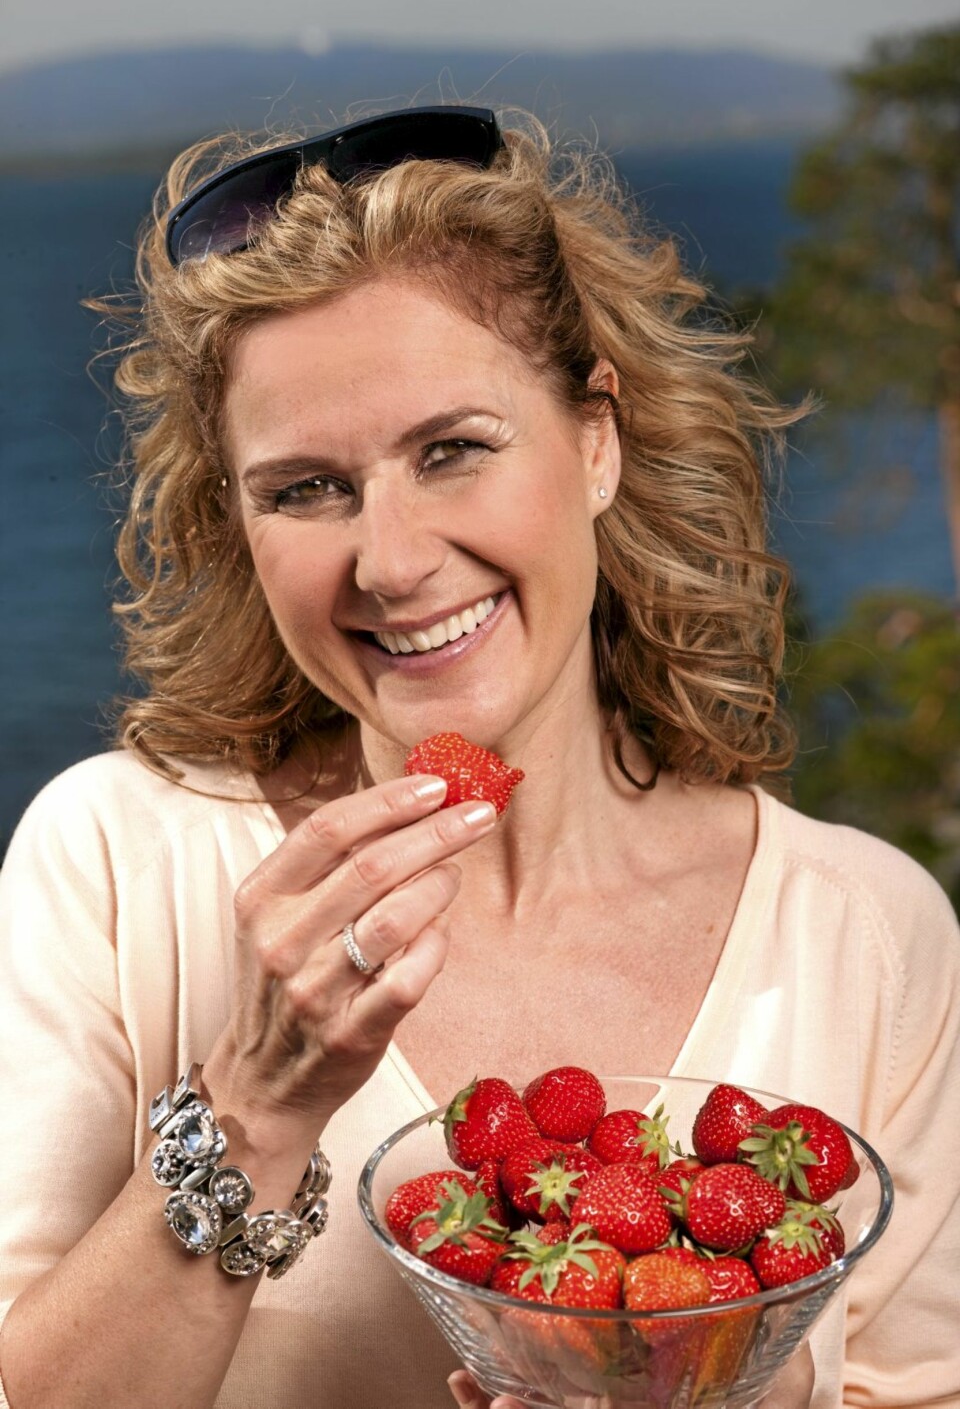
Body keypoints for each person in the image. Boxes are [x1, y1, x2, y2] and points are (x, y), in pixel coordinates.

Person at [0, 104, 957, 1409]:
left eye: (452, 450)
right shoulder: (114, 867)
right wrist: (256, 1104)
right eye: (304, 488)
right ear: (238, 524)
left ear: (596, 439)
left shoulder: (870, 937)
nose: (391, 562)